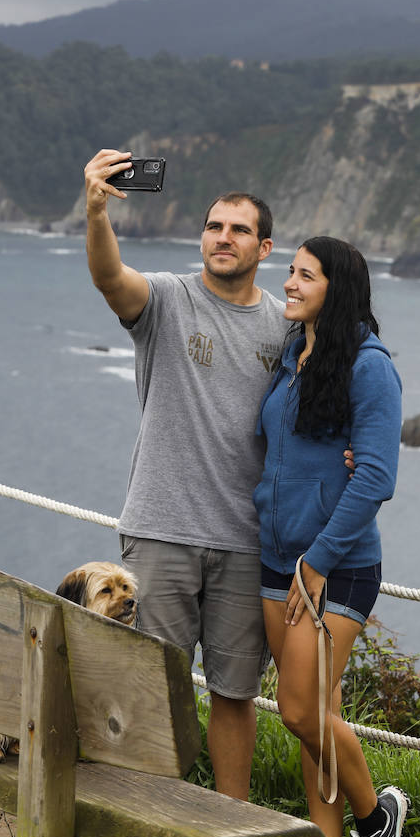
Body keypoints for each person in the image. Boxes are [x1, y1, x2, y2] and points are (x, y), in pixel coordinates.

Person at [81, 148, 289, 800]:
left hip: (245, 540)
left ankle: (229, 827)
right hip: (162, 531)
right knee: (152, 690)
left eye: (238, 230)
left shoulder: (285, 330)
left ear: (265, 246)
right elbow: (111, 279)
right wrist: (95, 211)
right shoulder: (169, 300)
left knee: (234, 695)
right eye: (213, 226)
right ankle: (145, 823)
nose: (222, 238)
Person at [254, 236, 407, 837]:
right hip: (275, 558)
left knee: (297, 709)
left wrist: (316, 562)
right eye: (290, 271)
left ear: (334, 289)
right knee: (319, 714)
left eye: (305, 276)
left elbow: (376, 476)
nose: (289, 283)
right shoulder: (293, 353)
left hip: (333, 566)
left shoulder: (370, 366)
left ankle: (377, 822)